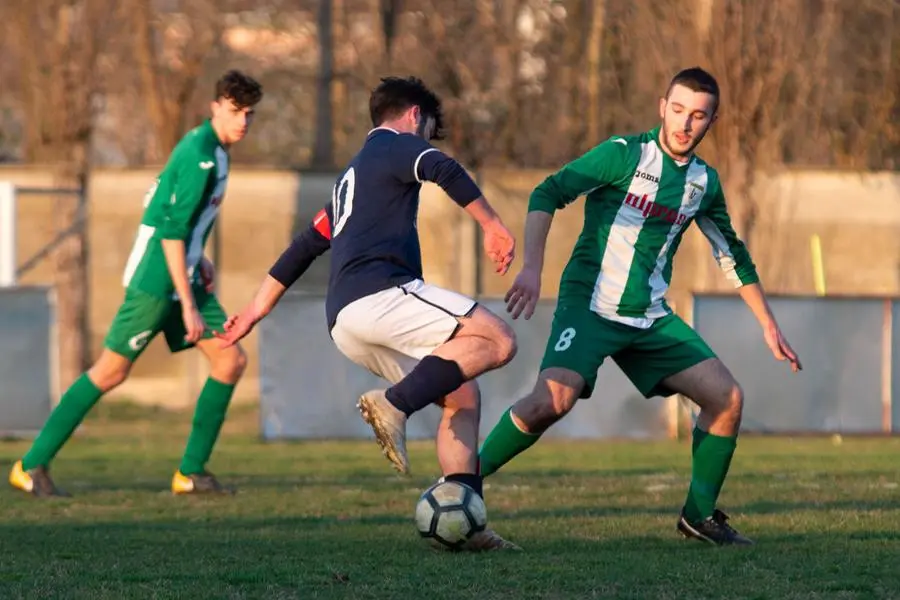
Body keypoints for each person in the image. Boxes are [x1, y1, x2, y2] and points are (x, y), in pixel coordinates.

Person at [477, 67, 803, 546]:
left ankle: (699, 516)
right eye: (677, 110)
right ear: (661, 106)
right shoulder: (623, 155)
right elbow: (548, 192)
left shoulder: (702, 184)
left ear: (712, 121)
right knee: (553, 400)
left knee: (727, 399)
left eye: (698, 115)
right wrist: (532, 267)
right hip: (589, 305)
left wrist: (768, 325)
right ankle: (465, 481)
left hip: (648, 318)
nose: (684, 124)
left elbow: (730, 253)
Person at [218, 76, 520, 550]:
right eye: (428, 129)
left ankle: (468, 526)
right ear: (415, 117)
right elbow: (441, 167)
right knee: (499, 339)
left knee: (461, 395)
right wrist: (493, 224)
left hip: (344, 321)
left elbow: (303, 248)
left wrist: (256, 310)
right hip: (380, 293)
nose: (425, 140)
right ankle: (394, 404)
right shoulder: (393, 146)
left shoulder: (349, 180)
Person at [9, 70, 264, 497]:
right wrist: (187, 303)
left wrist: (201, 260)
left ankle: (191, 473)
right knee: (110, 372)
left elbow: (170, 212)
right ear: (216, 106)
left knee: (229, 360)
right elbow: (169, 231)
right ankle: (30, 466)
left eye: (250, 114)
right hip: (157, 283)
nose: (243, 121)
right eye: (236, 111)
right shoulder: (200, 155)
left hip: (183, 277)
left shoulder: (215, 151)